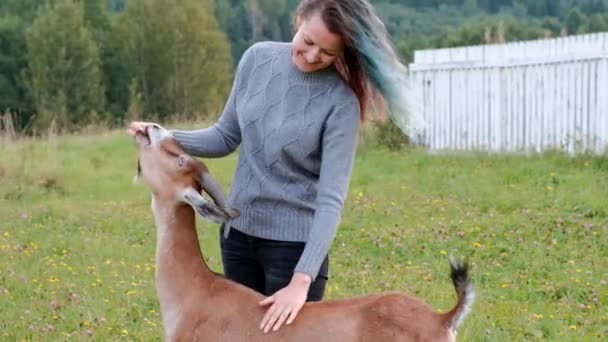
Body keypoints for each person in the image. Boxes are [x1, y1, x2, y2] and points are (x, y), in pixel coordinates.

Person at [128, 0, 420, 334]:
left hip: (292, 253)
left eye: (327, 53)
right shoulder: (257, 59)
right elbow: (224, 136)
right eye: (308, 42)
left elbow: (330, 202)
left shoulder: (341, 104)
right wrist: (162, 138)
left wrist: (301, 281)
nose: (312, 57)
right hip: (238, 238)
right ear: (299, 19)